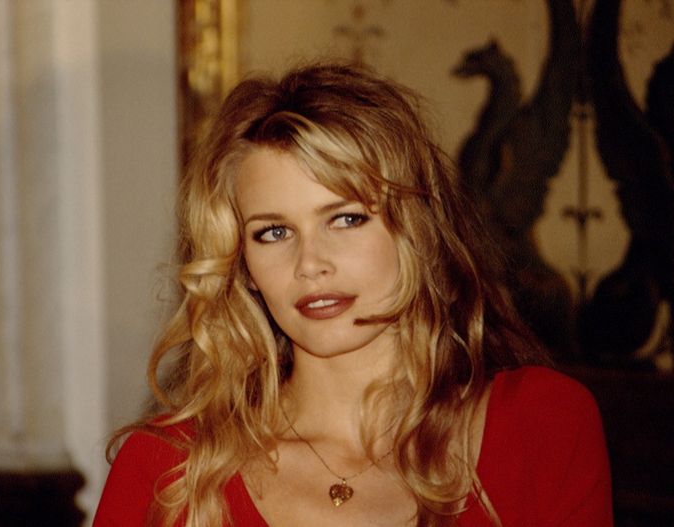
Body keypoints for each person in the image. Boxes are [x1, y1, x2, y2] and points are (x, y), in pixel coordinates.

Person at [94, 63, 612, 526]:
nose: (310, 263)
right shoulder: (166, 469)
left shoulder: (541, 425)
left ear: (415, 230)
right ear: (243, 265)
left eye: (346, 219)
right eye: (273, 232)